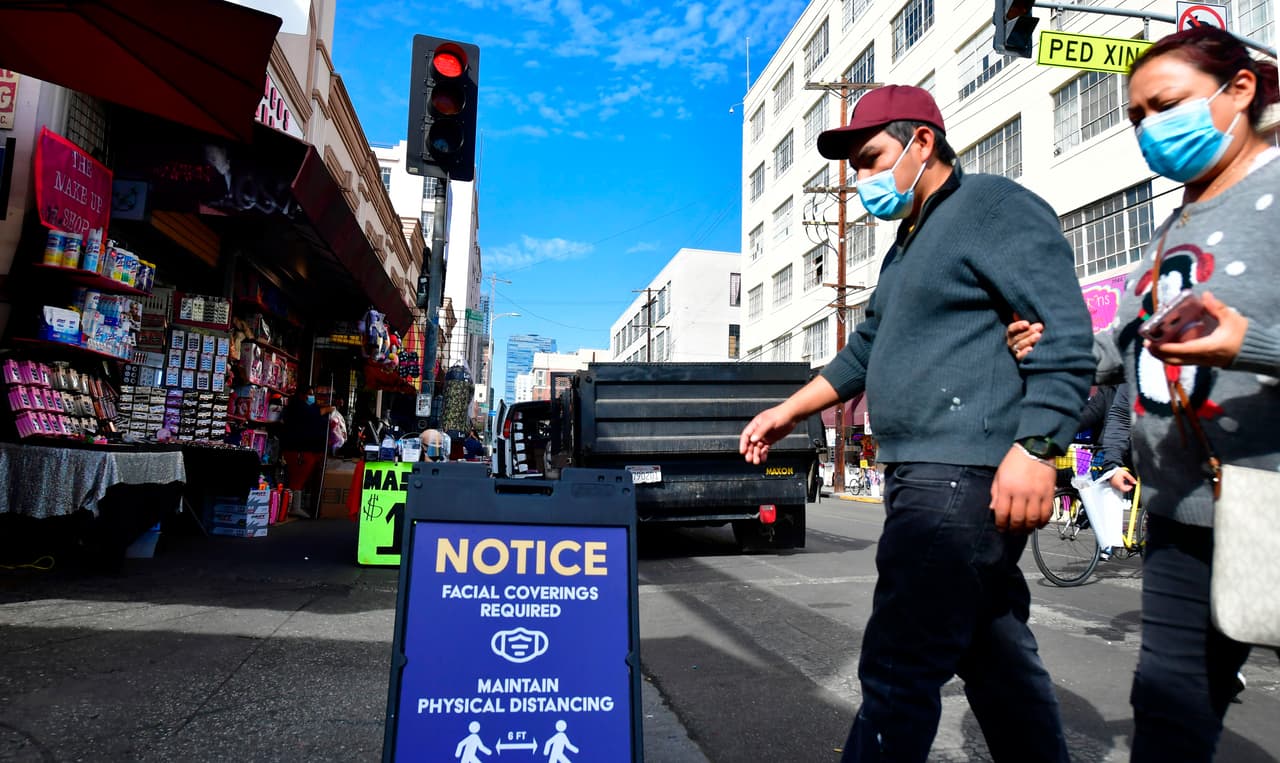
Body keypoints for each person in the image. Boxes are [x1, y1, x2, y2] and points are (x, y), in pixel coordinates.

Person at [739, 84, 1095, 762]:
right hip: (923, 476)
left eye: (873, 159)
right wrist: (787, 410)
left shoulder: (991, 207)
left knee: (898, 668)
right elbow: (866, 348)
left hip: (957, 477)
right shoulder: (905, 245)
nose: (865, 181)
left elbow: (1064, 333)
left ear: (922, 142)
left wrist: (1038, 444)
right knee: (994, 658)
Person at [1007, 27, 1279, 761]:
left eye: (1166, 106)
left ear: (1241, 90)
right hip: (1184, 513)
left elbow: (1239, 337)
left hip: (1272, 504)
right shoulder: (1176, 222)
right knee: (1167, 708)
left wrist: (1247, 342)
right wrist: (1051, 346)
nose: (1149, 130)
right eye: (1136, 118)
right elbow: (1126, 346)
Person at [280, 386, 328, 494]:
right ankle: (292, 505)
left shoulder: (307, 407)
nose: (311, 397)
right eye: (310, 394)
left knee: (299, 480)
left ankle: (293, 503)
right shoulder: (297, 407)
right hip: (299, 451)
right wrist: (326, 410)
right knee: (297, 480)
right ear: (302, 395)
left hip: (305, 450)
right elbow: (311, 415)